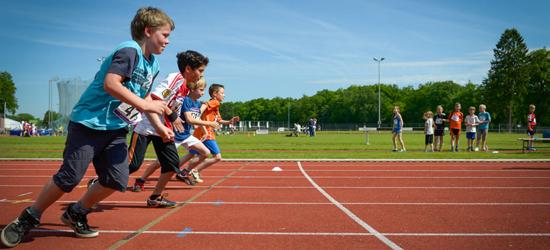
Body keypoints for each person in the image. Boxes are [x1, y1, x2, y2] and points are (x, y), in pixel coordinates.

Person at [0, 7, 174, 248]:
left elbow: (141, 102)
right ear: (148, 31)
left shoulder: (152, 65)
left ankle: (76, 212)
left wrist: (159, 125)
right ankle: (29, 217)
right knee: (69, 177)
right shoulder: (129, 51)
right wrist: (146, 105)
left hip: (115, 128)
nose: (167, 41)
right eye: (165, 35)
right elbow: (111, 84)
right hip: (88, 123)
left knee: (117, 178)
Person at [130, 51, 211, 192]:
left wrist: (172, 120)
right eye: (200, 70)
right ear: (188, 69)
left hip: (164, 130)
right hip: (146, 126)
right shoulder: (176, 78)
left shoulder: (186, 87)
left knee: (171, 164)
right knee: (133, 165)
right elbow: (155, 98)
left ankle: (155, 197)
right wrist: (172, 115)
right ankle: (100, 181)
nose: (201, 75)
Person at [143, 77, 220, 203]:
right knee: (160, 162)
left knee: (205, 152)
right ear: (192, 89)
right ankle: (141, 179)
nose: (202, 93)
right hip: (176, 135)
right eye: (201, 90)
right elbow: (190, 119)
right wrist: (209, 124)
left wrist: (205, 131)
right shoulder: (186, 101)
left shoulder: (197, 103)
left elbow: (197, 119)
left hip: (186, 135)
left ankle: (183, 172)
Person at [180, 83, 240, 183]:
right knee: (217, 157)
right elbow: (205, 105)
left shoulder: (216, 106)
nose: (224, 95)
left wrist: (229, 122)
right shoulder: (214, 102)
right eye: (222, 93)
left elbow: (218, 120)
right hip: (206, 133)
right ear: (215, 94)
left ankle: (175, 170)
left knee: (191, 154)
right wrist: (198, 112)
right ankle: (194, 170)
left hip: (200, 131)